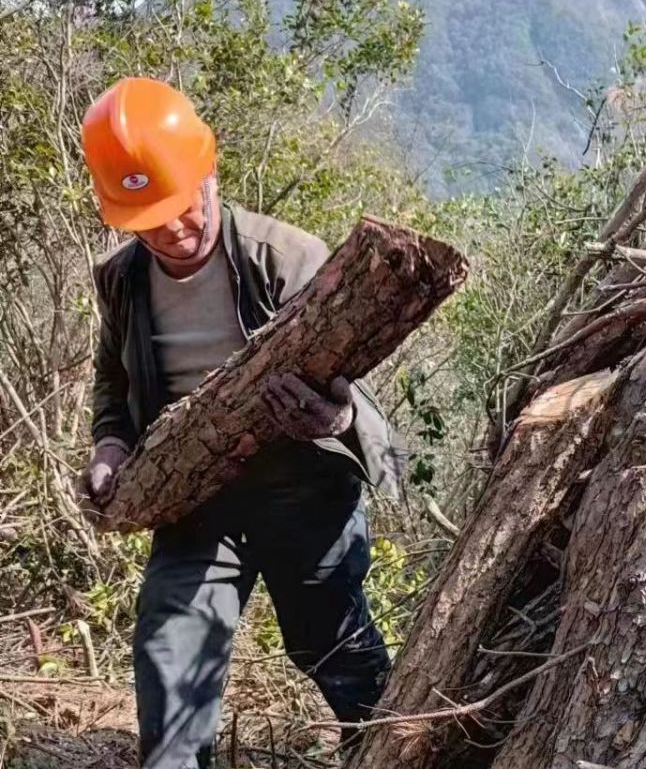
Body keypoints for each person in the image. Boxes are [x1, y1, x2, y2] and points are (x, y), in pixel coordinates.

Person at [78, 77, 403, 769]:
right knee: (169, 661)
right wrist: (111, 445)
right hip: (195, 500)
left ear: (208, 171)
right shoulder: (121, 280)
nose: (172, 229)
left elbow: (358, 394)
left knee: (338, 653)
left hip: (304, 494)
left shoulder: (287, 261)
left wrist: (333, 416)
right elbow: (113, 385)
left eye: (181, 207)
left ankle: (397, 753)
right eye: (148, 219)